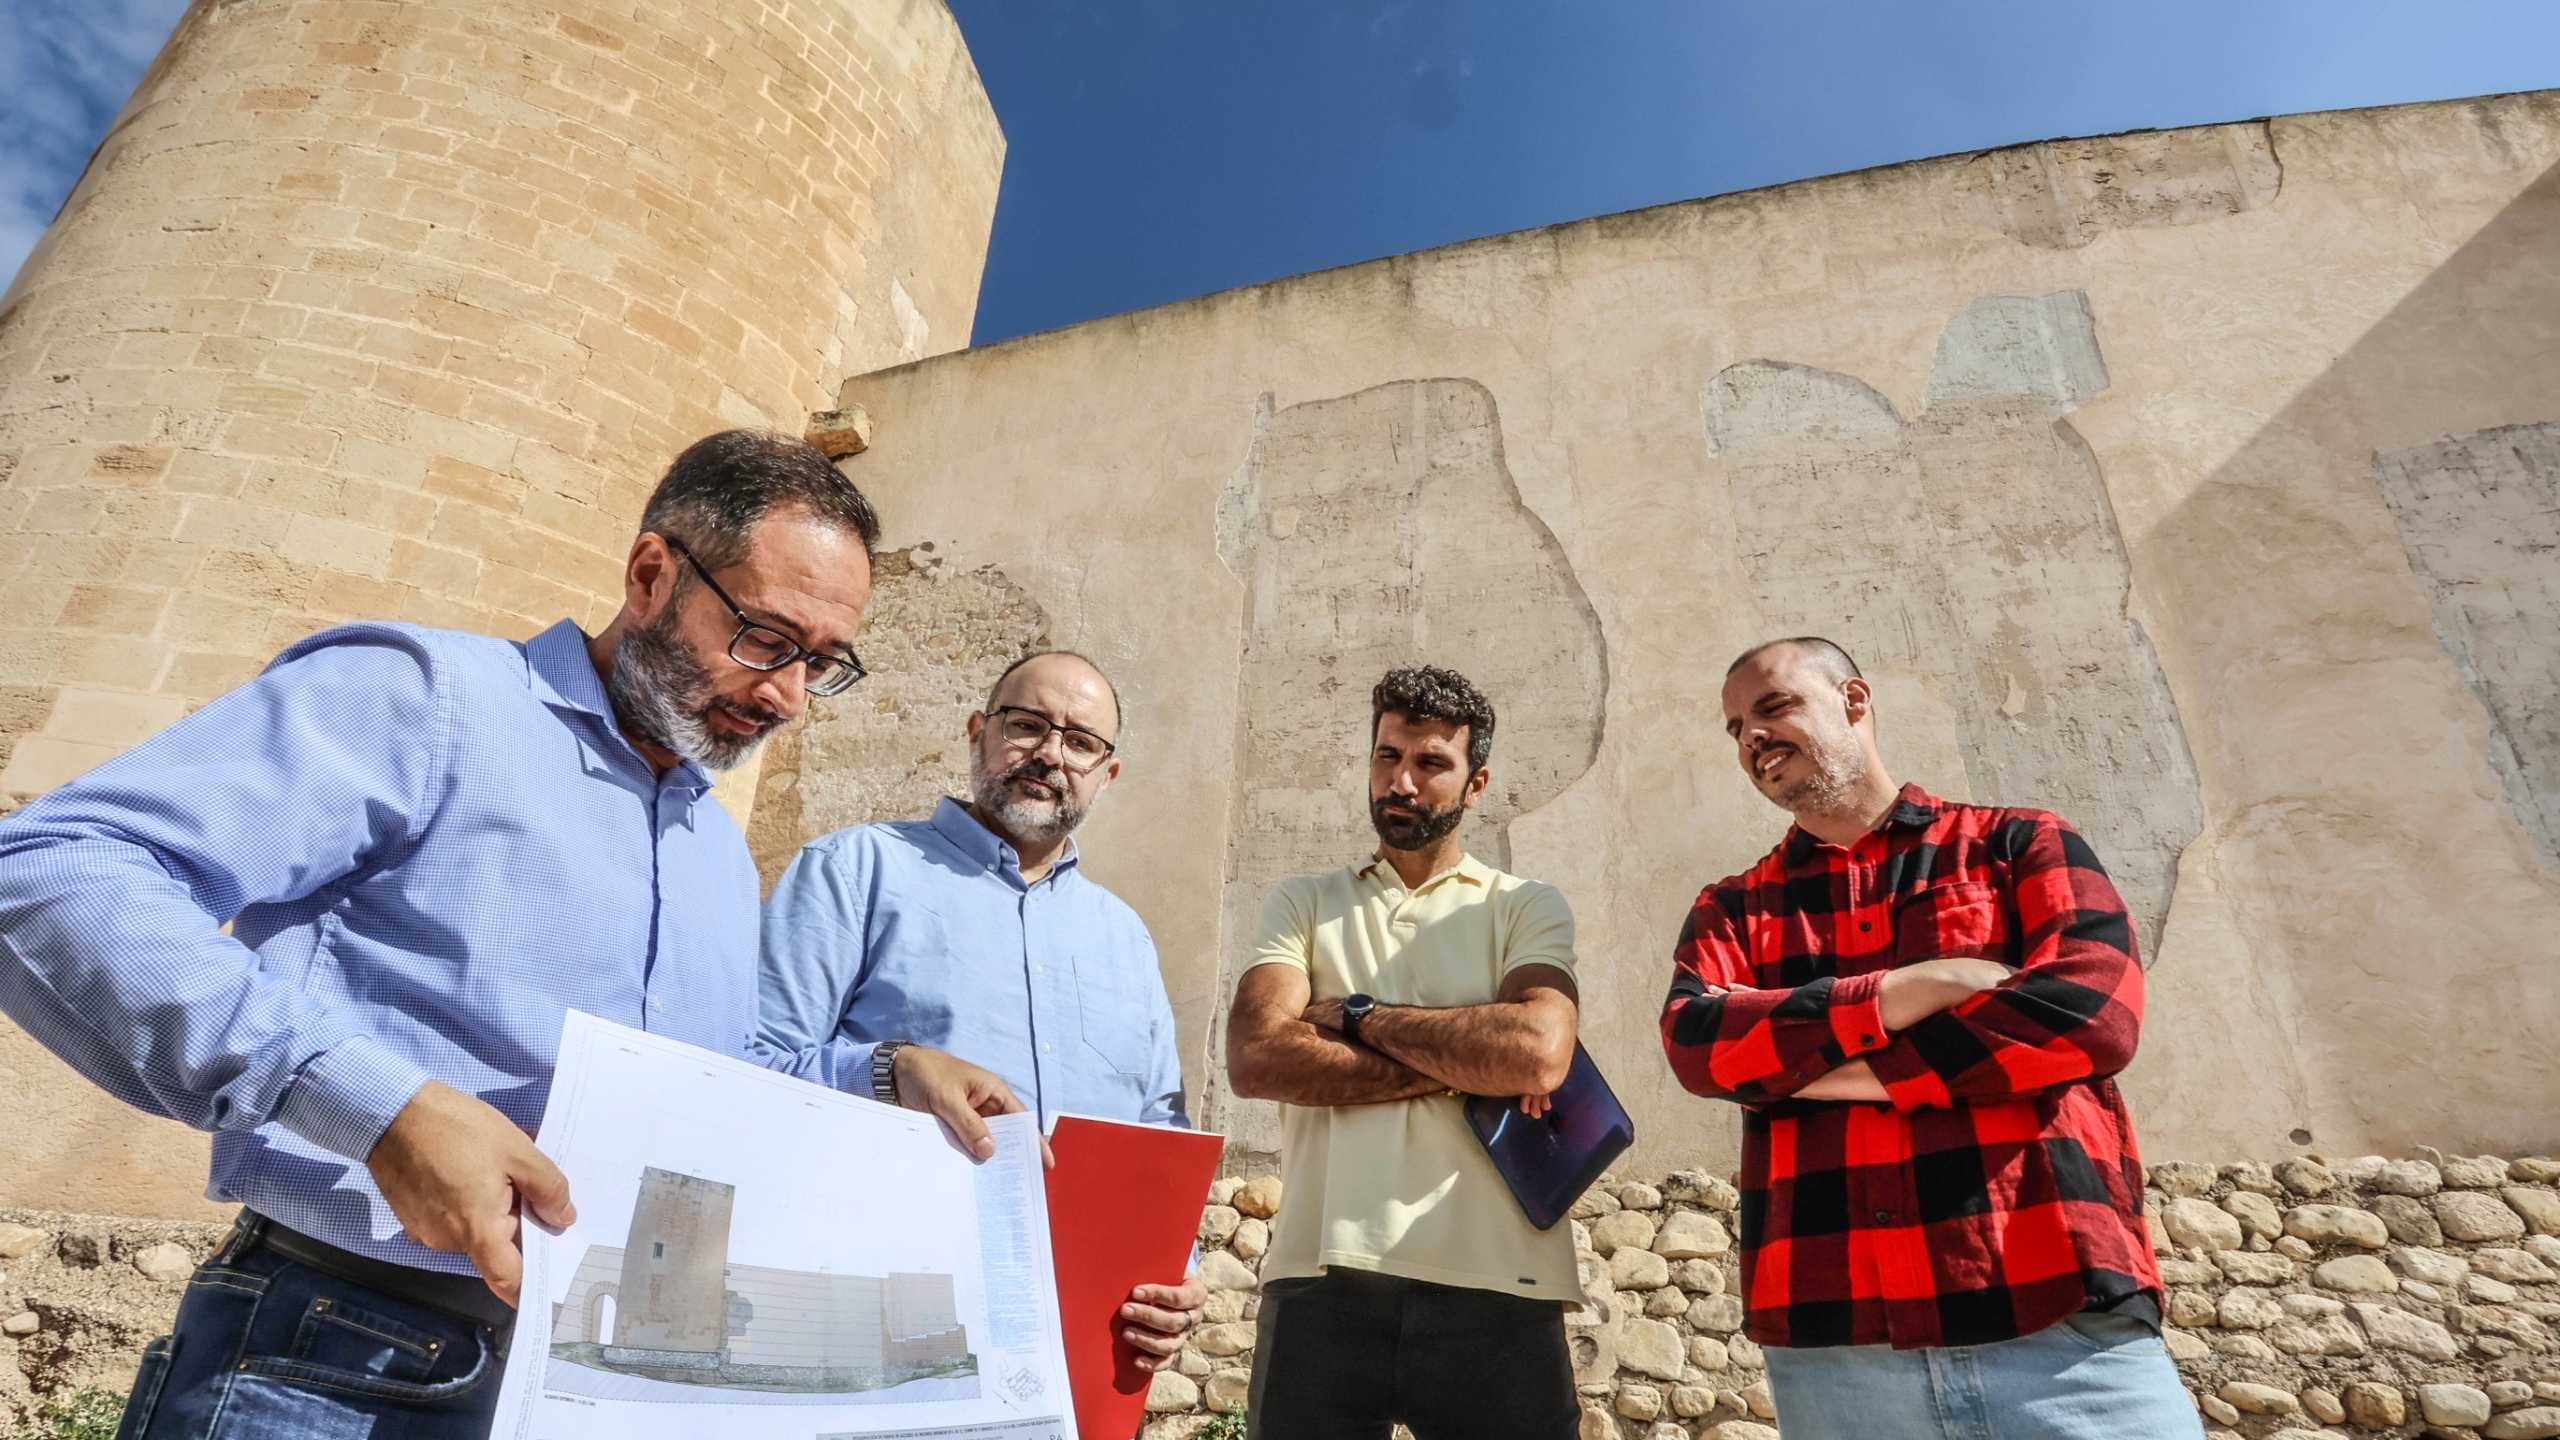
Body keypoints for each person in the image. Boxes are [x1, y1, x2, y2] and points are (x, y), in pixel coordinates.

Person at [0, 431, 1014, 1440]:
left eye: (821, 664)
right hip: (334, 1355)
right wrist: (377, 1109)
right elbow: (51, 869)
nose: (786, 694)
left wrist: (882, 1072)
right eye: (764, 638)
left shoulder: (714, 846)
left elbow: (708, 1071)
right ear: (651, 576)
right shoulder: (423, 698)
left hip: (590, 1390)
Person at [1658, 637, 2192, 1440]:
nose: (1752, 737)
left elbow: (2093, 1015)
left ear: (1855, 701)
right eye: (1736, 728)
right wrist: (1921, 987)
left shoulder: (2018, 844)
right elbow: (1699, 1047)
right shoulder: (1732, 909)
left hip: (2061, 1327)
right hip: (1839, 1356)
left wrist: (1801, 1066)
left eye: (1773, 707)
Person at [754, 649, 1205, 1369]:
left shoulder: (1126, 937)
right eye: (1026, 725)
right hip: (884, 1323)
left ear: (1107, 774)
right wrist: (890, 1069)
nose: (1050, 753)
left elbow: (1158, 1132)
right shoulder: (855, 872)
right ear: (977, 732)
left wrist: (1177, 1267)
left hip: (1082, 1338)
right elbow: (750, 1068)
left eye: (1081, 742)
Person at [1224, 665, 1583, 1440]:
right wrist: (1466, 1063)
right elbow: (1256, 1058)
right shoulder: (1304, 902)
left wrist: (1352, 1017)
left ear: (1475, 784)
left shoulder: (1525, 906)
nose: (1402, 781)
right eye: (1388, 756)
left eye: (1430, 763)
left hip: (1500, 1279)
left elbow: (1536, 1055)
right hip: (1321, 1274)